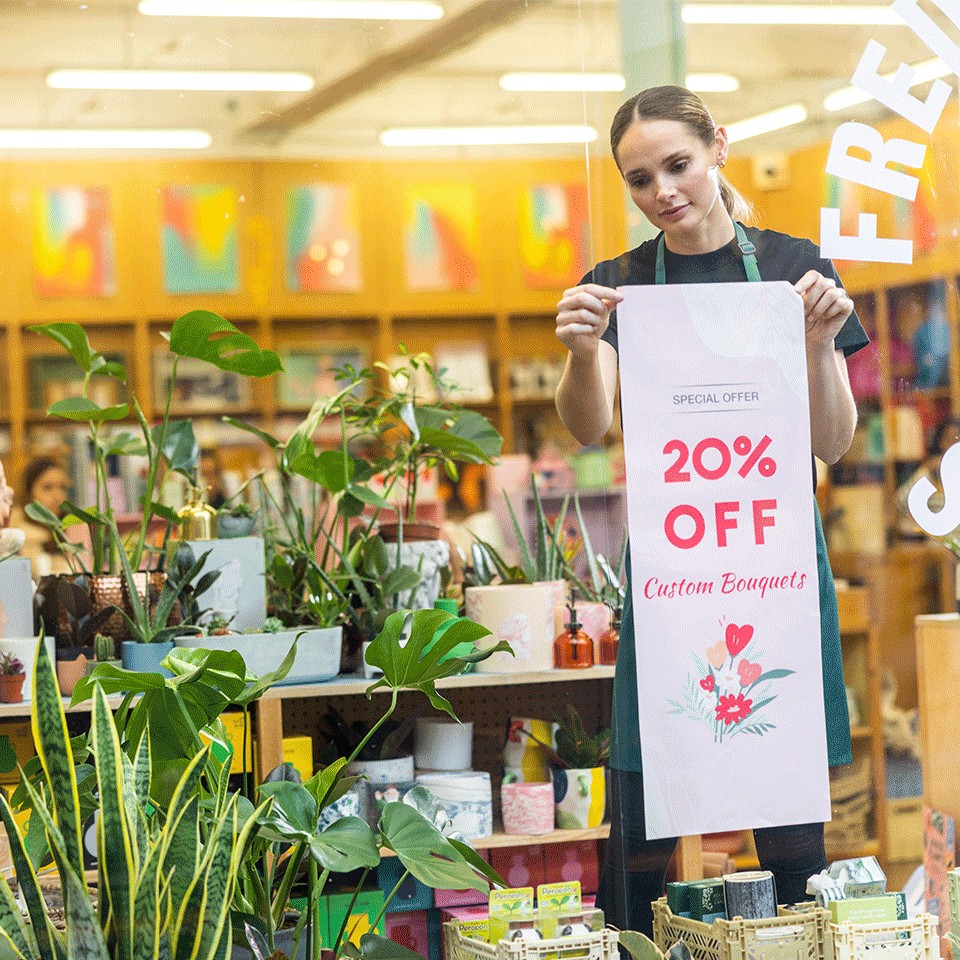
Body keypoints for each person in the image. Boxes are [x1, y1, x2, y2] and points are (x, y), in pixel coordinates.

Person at [554, 86, 869, 935]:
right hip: (675, 581)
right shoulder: (618, 286)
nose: (662, 191)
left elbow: (834, 441)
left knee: (792, 824)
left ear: (719, 147)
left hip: (773, 573)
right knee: (641, 824)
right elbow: (588, 426)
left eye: (677, 165)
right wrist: (582, 350)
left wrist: (817, 345)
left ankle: (797, 949)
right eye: (639, 179)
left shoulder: (795, 268)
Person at [10, 456, 73, 576]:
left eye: (62, 487)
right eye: (47, 487)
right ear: (29, 492)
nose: (58, 496)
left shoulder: (72, 528)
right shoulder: (14, 532)